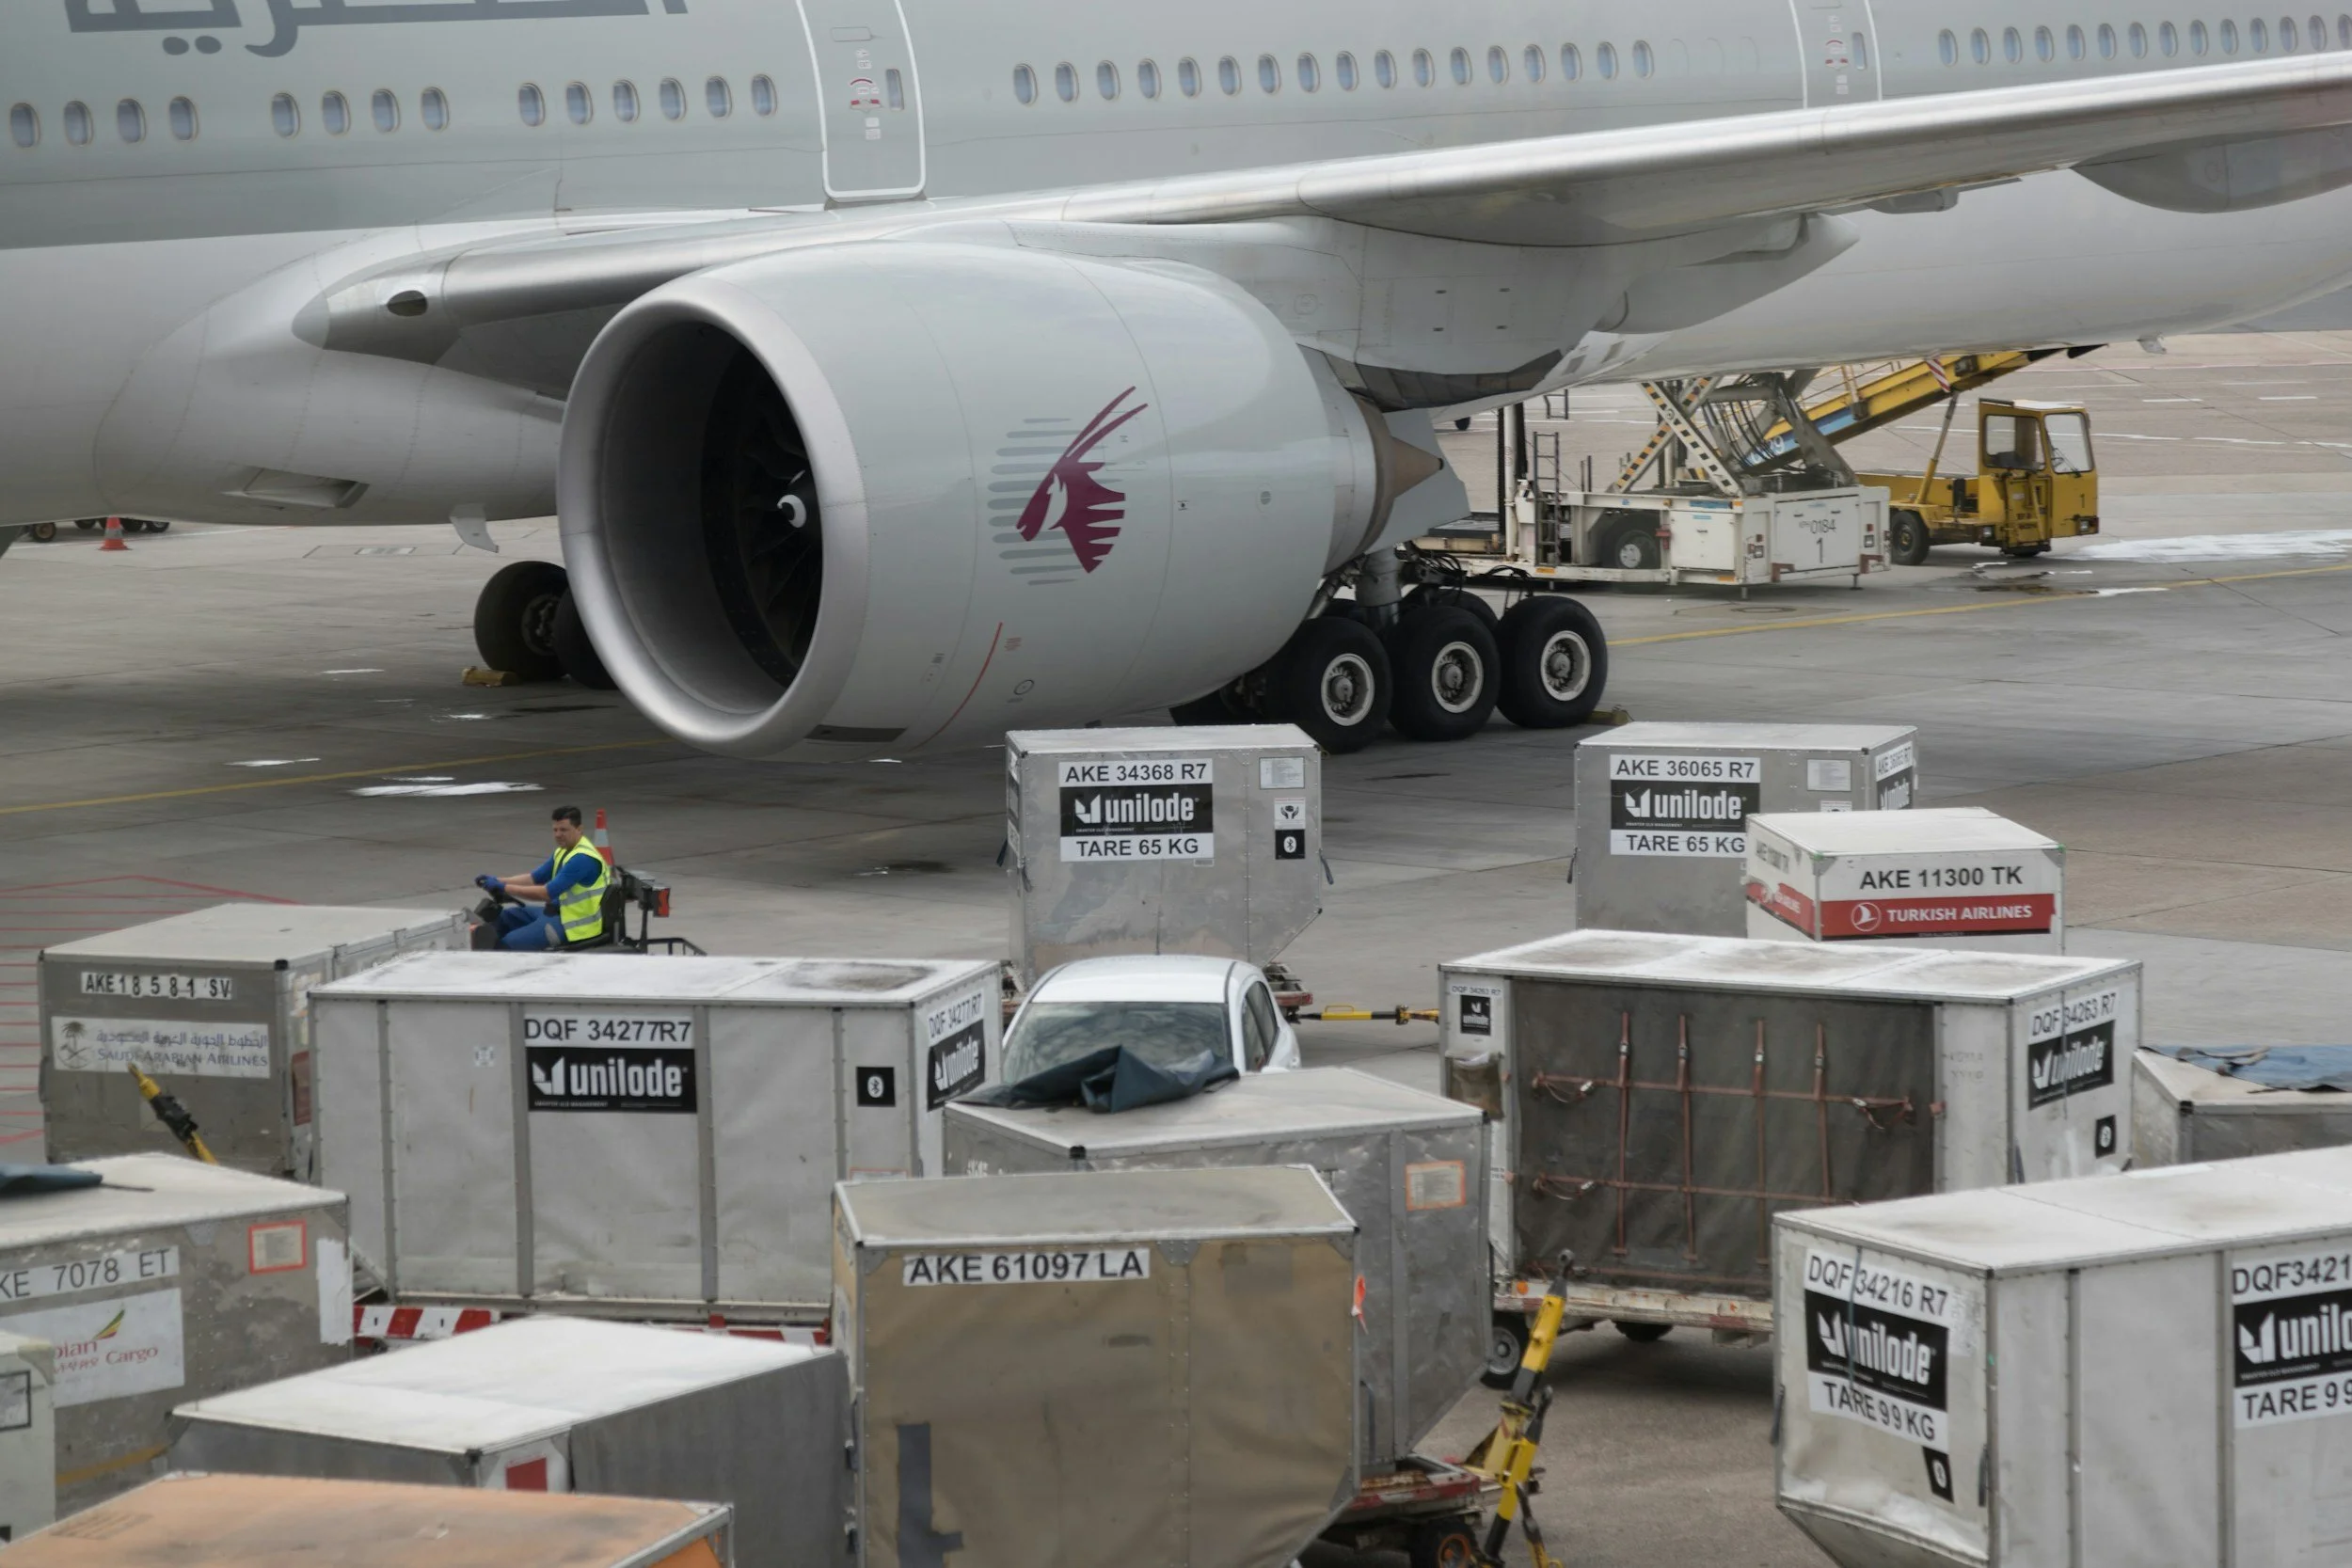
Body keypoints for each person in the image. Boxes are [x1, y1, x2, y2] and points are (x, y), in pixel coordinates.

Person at [477, 805, 610, 951]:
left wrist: (504, 888)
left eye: (564, 830)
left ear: (579, 829)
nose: (558, 835)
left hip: (573, 927)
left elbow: (546, 893)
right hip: (556, 913)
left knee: (507, 945)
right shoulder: (563, 851)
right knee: (501, 919)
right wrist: (498, 880)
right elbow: (535, 877)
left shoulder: (582, 859)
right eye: (555, 830)